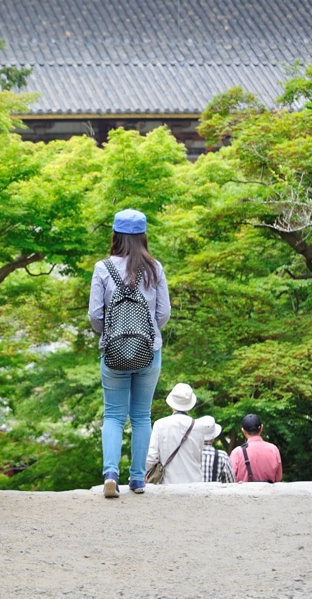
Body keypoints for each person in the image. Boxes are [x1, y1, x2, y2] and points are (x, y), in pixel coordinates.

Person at [89, 208, 171, 497]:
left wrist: (111, 335)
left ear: (116, 235)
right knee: (140, 416)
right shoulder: (155, 268)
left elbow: (94, 315)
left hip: (112, 350)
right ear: (143, 236)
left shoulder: (102, 268)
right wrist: (147, 333)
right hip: (149, 350)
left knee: (113, 415)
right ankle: (137, 479)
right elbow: (163, 313)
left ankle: (110, 473)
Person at [146, 383, 205, 485]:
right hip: (195, 483)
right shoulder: (199, 426)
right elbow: (199, 456)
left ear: (171, 404)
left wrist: (138, 474)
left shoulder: (160, 424)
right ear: (190, 405)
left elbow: (152, 456)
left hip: (168, 483)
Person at [230, 414, 282, 483]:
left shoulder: (237, 453)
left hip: (245, 493)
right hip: (268, 492)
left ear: (243, 431)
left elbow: (231, 479)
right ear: (261, 428)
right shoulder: (273, 449)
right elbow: (278, 477)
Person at [196, 415, 235, 483]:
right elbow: (231, 483)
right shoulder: (222, 456)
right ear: (213, 438)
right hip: (214, 493)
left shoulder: (188, 455)